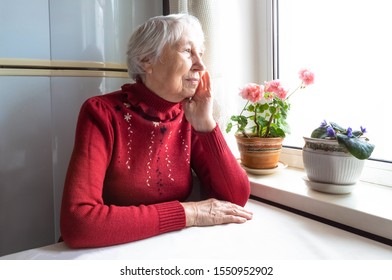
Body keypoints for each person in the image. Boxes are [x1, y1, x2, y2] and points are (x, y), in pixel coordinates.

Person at [60, 14, 252, 249]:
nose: (201, 65)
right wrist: (188, 213)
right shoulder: (102, 113)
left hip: (165, 248)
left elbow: (236, 198)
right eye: (187, 51)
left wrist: (206, 125)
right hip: (105, 253)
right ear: (146, 61)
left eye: (200, 54)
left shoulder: (189, 116)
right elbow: (79, 224)